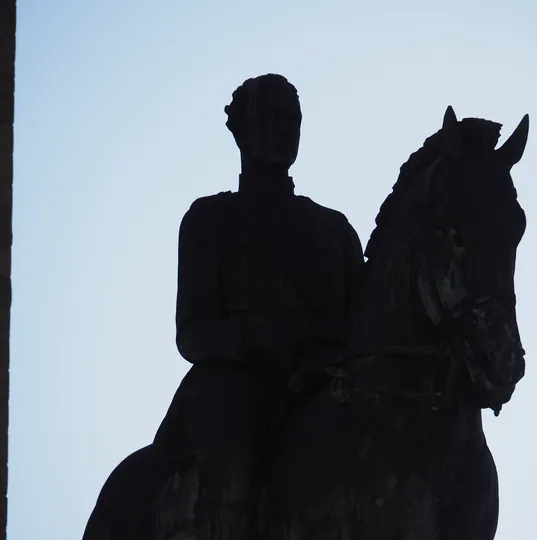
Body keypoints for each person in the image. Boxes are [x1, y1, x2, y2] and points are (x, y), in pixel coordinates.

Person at [153, 74, 365, 539]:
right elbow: (192, 332)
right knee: (232, 472)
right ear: (242, 131)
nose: (285, 130)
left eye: (293, 119)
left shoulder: (335, 231)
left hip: (325, 389)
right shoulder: (210, 219)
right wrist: (258, 343)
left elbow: (365, 324)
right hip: (235, 390)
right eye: (273, 118)